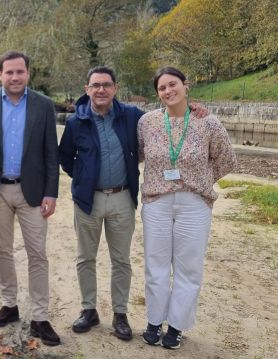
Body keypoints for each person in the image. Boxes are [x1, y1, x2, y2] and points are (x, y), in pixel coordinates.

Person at [138, 66, 236, 349]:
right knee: (155, 266)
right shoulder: (147, 122)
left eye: (173, 85)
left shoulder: (208, 123)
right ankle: (154, 321)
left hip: (194, 204)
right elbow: (140, 153)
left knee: (188, 268)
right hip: (156, 202)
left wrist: (200, 181)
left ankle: (177, 326)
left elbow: (226, 159)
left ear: (186, 85)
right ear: (157, 93)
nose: (168, 91)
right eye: (162, 88)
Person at [0, 51, 61, 346]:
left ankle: (39, 316)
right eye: (9, 72)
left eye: (19, 72)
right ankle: (9, 304)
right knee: (3, 249)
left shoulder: (43, 105)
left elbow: (52, 152)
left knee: (37, 253)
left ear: (28, 73)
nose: (14, 77)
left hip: (34, 192)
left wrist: (51, 191)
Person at [58, 66, 143, 341]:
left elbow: (165, 118)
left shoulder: (131, 116)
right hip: (88, 200)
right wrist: (84, 178)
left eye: (106, 85)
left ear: (115, 88)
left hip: (121, 197)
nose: (101, 90)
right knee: (85, 257)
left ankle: (120, 314)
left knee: (121, 260)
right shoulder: (75, 122)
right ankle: (89, 310)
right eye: (95, 85)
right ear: (87, 89)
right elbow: (65, 158)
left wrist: (193, 109)